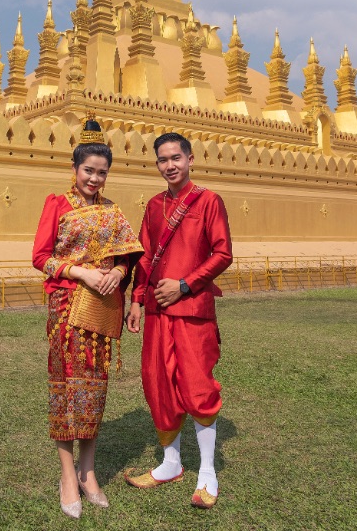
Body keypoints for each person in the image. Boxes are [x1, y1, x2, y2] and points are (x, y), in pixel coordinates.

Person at [33, 119, 143, 519]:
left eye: (102, 172)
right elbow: (40, 257)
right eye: (89, 170)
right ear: (75, 170)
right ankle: (67, 476)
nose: (95, 178)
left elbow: (129, 256)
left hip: (101, 310)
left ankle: (88, 471)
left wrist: (118, 273)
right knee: (66, 388)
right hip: (65, 309)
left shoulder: (113, 213)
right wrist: (79, 272)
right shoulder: (57, 204)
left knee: (94, 390)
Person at [126, 132, 232, 509]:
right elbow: (144, 258)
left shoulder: (208, 202)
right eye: (162, 160)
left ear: (190, 160)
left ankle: (207, 472)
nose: (169, 165)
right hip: (156, 309)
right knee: (158, 383)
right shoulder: (154, 206)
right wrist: (137, 300)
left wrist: (185, 285)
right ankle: (171, 463)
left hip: (192, 310)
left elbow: (223, 253)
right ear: (157, 164)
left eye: (176, 158)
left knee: (197, 386)